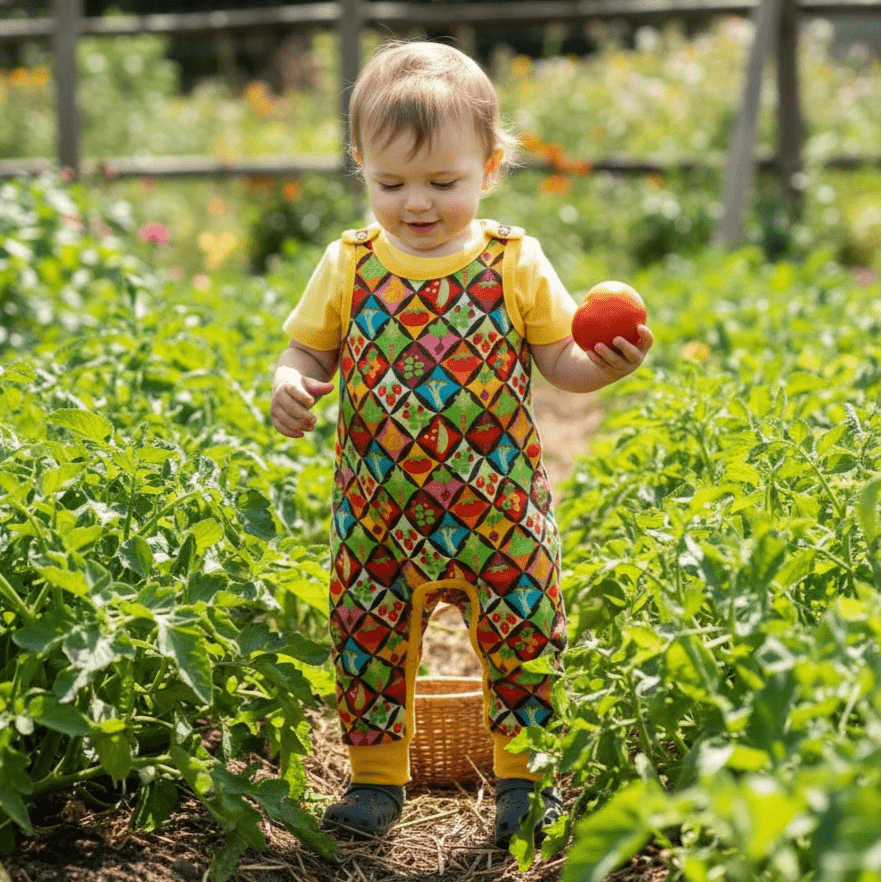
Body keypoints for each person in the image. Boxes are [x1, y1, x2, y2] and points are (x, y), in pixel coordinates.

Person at [270, 40, 654, 848]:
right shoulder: (349, 263)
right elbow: (309, 350)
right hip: (378, 514)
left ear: (490, 164)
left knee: (524, 628)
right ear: (359, 164)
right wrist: (291, 382)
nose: (416, 202)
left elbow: (559, 362)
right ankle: (375, 784)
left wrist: (603, 369)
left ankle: (523, 779)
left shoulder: (516, 261)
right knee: (366, 636)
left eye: (442, 182)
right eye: (389, 183)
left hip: (499, 508)